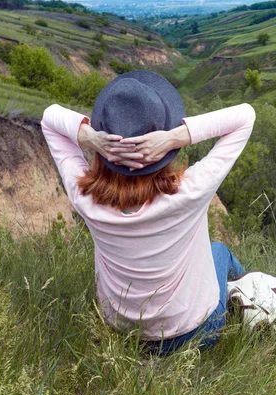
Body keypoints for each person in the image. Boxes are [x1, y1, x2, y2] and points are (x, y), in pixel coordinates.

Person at [40, 70, 256, 354]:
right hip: (197, 334)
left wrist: (93, 139)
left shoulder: (86, 198)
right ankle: (251, 293)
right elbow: (245, 116)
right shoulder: (189, 193)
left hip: (122, 332)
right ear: (160, 152)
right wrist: (173, 137)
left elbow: (49, 118)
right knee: (220, 251)